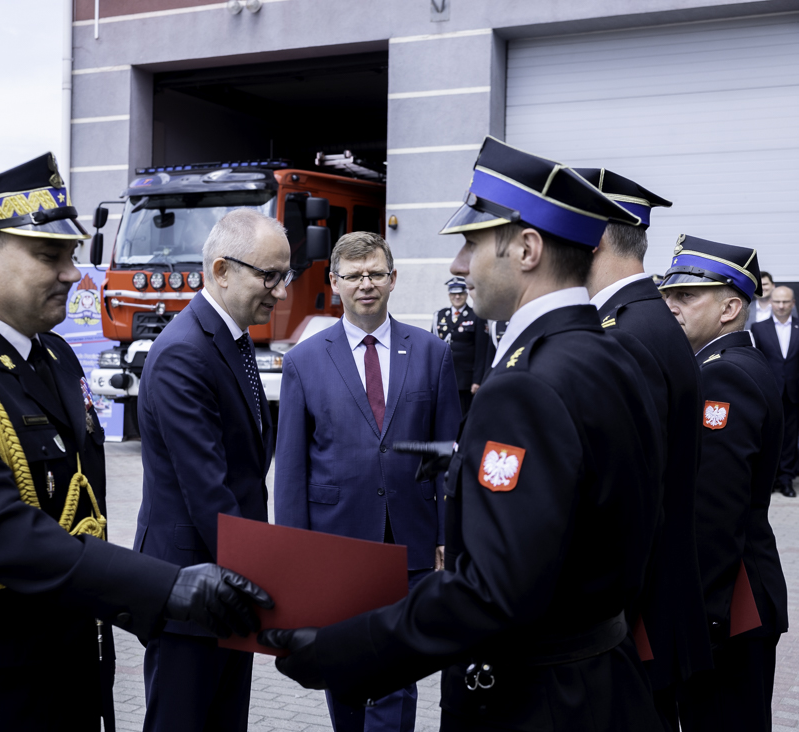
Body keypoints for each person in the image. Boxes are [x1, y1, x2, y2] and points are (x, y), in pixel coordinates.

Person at [261, 137, 666, 731]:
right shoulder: (614, 356)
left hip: (538, 701)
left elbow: (490, 593)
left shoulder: (524, 384)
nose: (458, 265)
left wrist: (344, 650)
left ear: (527, 248)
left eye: (473, 243)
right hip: (604, 682)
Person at [0, 153, 272, 732]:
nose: (73, 274)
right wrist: (165, 587)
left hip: (62, 676)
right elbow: (2, 534)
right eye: (48, 255)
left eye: (72, 255)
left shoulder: (54, 356)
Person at [274, 231, 460, 732]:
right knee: (344, 668)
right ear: (334, 283)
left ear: (393, 279)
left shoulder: (432, 353)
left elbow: (447, 455)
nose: (366, 284)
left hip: (410, 545)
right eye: (354, 276)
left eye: (376, 273)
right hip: (336, 545)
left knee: (396, 674)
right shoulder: (303, 361)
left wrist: (447, 534)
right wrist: (294, 554)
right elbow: (290, 468)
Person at [133, 207, 288, 731]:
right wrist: (271, 586)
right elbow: (208, 490)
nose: (281, 291)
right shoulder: (185, 352)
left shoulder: (230, 341)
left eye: (284, 275)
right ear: (221, 270)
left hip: (227, 587)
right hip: (191, 591)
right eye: (270, 276)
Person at [576, 166, 712, 726]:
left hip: (637, 613)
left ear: (592, 238)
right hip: (656, 600)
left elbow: (627, 498)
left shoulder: (624, 334)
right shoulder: (646, 320)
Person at [657, 236, 788, 731]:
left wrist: (701, 622)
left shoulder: (723, 376)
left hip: (730, 608)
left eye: (687, 296)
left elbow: (713, 513)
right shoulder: (721, 366)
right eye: (669, 295)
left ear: (730, 308)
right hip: (731, 601)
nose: (671, 305)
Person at [751, 285, 799, 497]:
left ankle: (786, 480)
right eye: (777, 301)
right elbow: (757, 360)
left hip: (793, 393)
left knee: (790, 438)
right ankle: (768, 480)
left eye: (785, 301)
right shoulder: (758, 328)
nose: (781, 305)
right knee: (768, 436)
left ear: (793, 303)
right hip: (769, 392)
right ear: (770, 302)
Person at [433, 277, 486, 414]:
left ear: (466, 294)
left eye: (460, 293)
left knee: (463, 415)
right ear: (449, 295)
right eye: (453, 293)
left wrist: (477, 380)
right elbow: (432, 348)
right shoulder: (440, 315)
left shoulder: (476, 316)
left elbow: (481, 351)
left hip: (466, 380)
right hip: (444, 376)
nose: (457, 297)